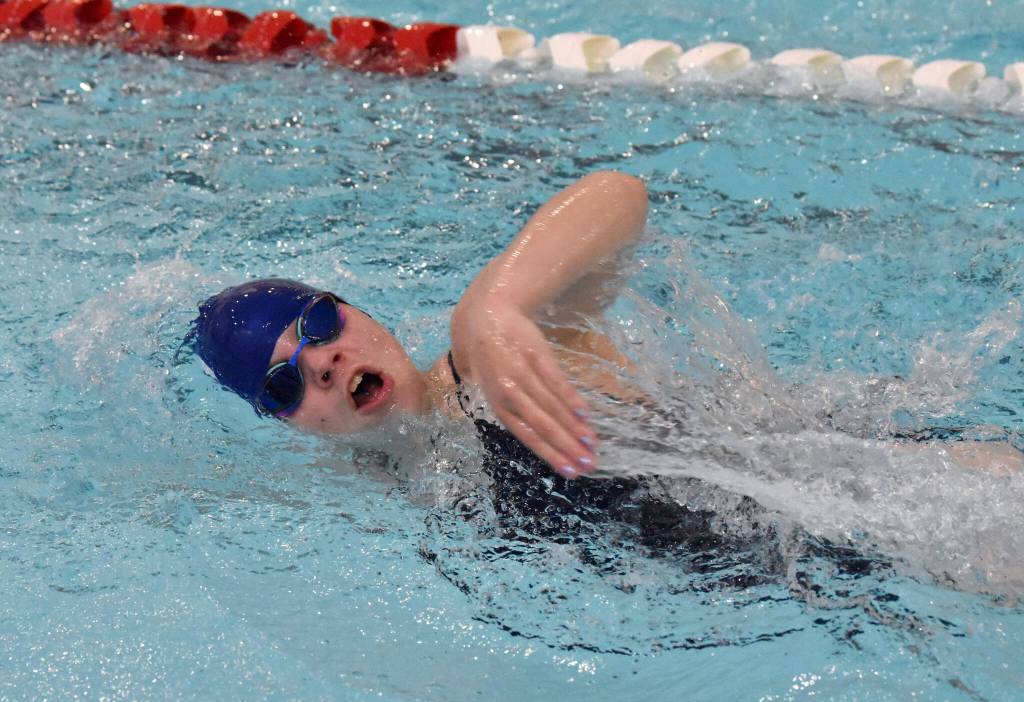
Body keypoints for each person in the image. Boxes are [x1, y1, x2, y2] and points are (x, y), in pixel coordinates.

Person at [190, 170, 1023, 483]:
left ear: (361, 311)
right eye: (286, 383)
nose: (324, 362)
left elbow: (621, 197)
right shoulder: (374, 484)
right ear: (286, 424)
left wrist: (497, 301)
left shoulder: (495, 356)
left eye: (320, 323)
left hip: (890, 491)